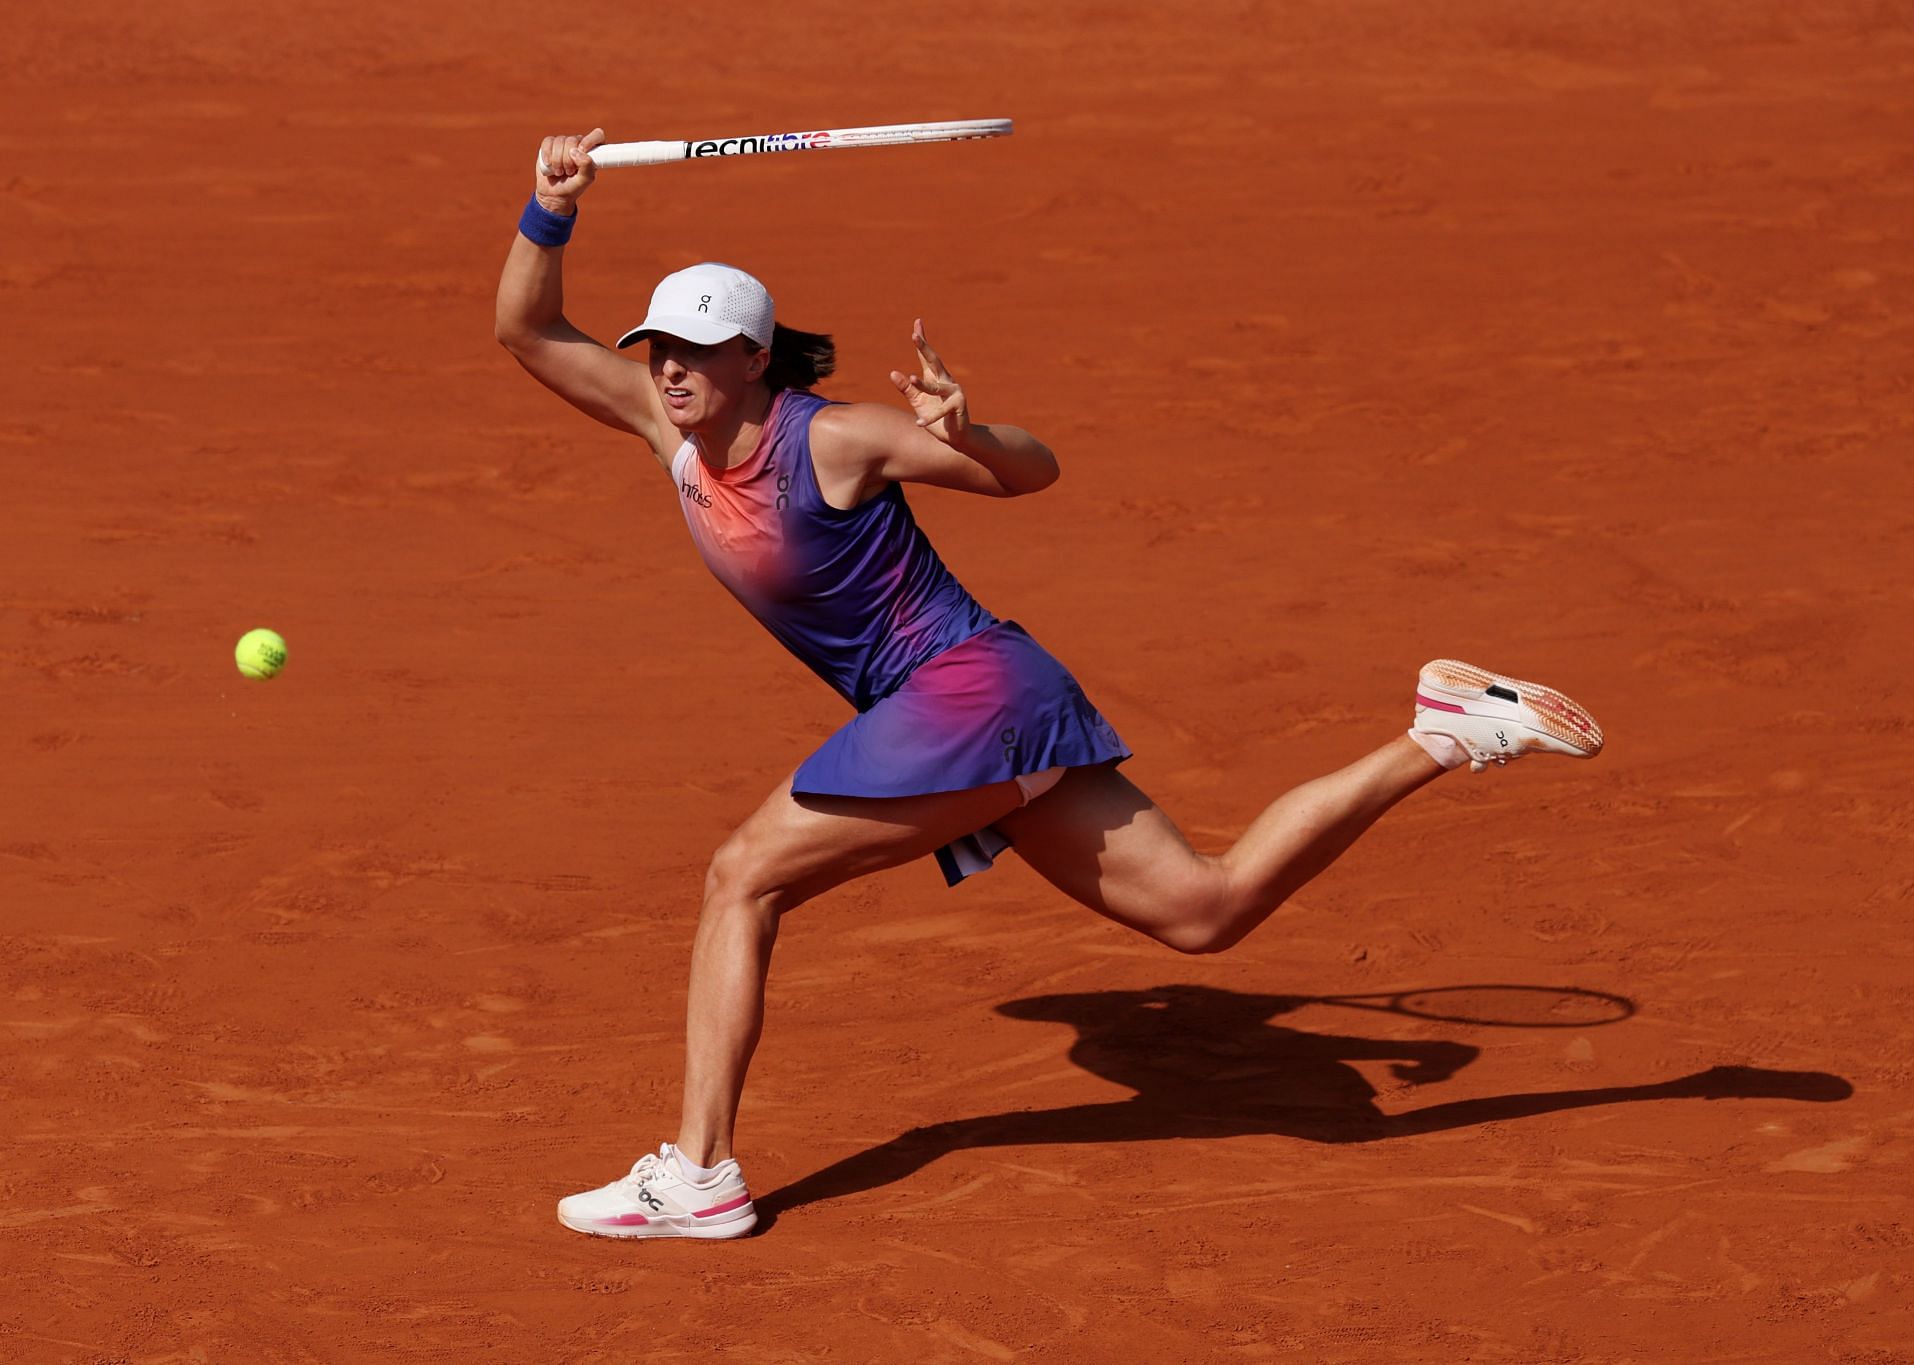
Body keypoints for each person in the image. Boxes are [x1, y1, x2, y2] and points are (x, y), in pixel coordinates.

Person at [494, 130, 1605, 1241]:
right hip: (996, 703)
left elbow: (1032, 474)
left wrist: (971, 429)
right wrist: (551, 208)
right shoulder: (666, 428)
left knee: (743, 878)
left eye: (697, 350)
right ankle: (1447, 733)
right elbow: (527, 327)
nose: (670, 369)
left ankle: (699, 1170)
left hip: (966, 696)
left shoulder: (834, 440)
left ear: (755, 358)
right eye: (658, 351)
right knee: (1203, 912)